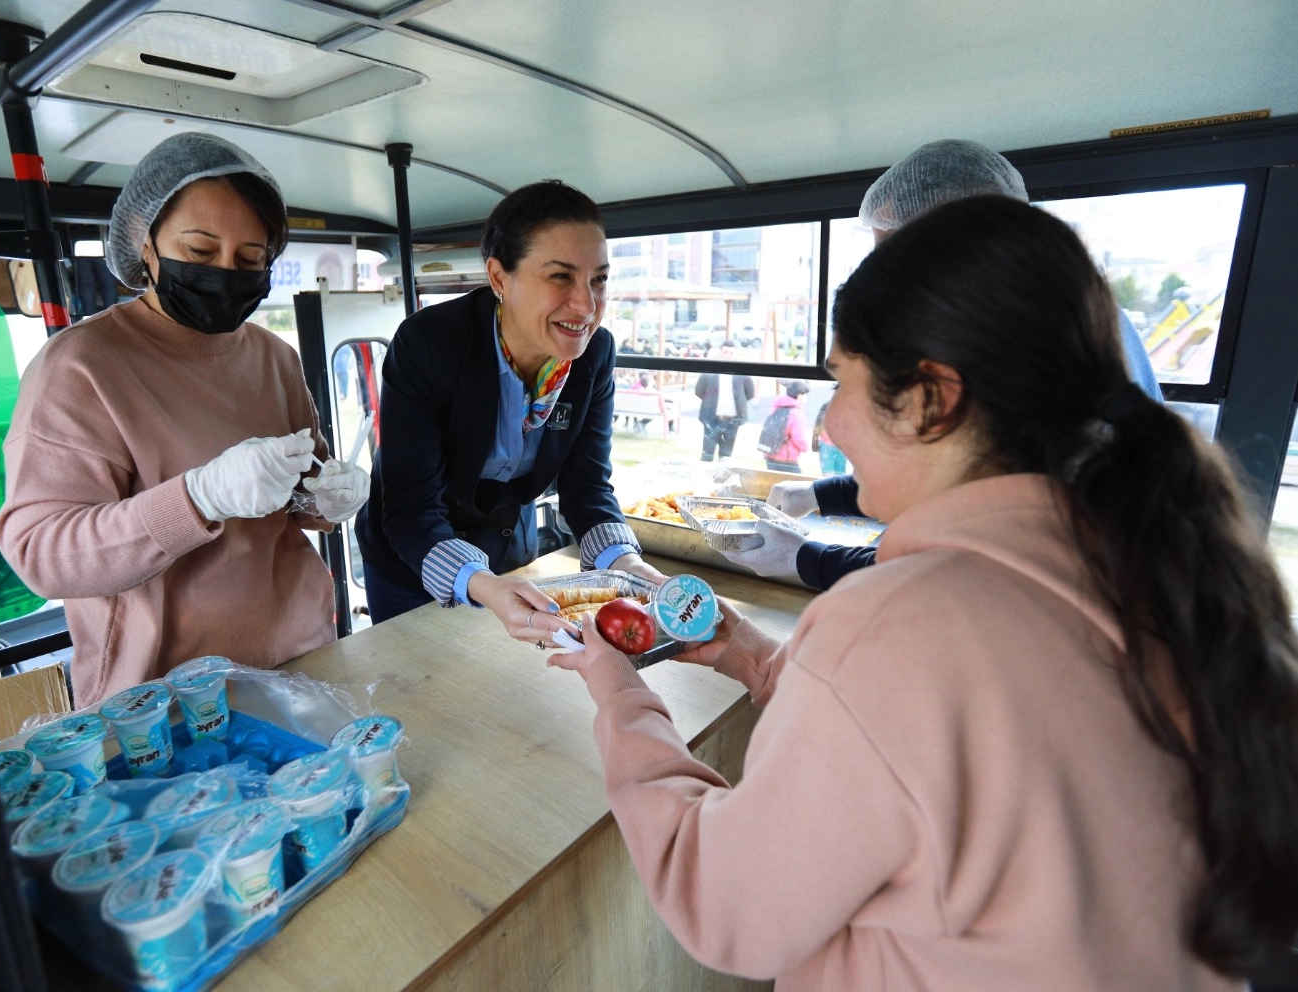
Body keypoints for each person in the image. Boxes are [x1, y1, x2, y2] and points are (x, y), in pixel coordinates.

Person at [550, 196, 1298, 991]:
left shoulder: (893, 624)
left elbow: (721, 903)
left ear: (929, 397)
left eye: (840, 381)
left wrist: (619, 695)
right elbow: (929, 750)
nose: (828, 425)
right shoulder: (1154, 569)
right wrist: (752, 657)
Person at [0, 132, 370, 707]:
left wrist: (323, 498)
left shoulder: (273, 356)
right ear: (144, 244)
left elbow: (295, 494)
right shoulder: (82, 366)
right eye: (199, 251)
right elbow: (43, 554)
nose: (225, 272)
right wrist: (198, 498)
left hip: (299, 659)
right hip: (165, 698)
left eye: (250, 259)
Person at [730, 139, 1163, 589]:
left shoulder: (1008, 341)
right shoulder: (1072, 312)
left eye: (895, 257)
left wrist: (805, 558)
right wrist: (822, 494)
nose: (886, 279)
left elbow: (967, 567)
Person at [354, 180, 663, 640]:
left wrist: (629, 565)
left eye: (598, 279)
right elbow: (410, 507)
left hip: (504, 544)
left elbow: (587, 486)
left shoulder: (594, 355)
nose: (586, 305)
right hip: (411, 553)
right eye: (560, 277)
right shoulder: (429, 344)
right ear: (499, 278)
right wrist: (482, 584)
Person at [694, 343, 755, 462]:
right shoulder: (710, 371)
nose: (728, 355)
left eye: (731, 353)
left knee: (726, 456)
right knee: (707, 454)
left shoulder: (742, 373)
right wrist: (710, 402)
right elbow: (699, 391)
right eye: (726, 352)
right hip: (712, 419)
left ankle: (722, 473)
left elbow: (750, 393)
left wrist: (739, 403)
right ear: (720, 353)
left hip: (732, 421)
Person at [759, 380, 809, 473]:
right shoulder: (796, 413)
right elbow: (798, 437)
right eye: (804, 395)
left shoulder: (776, 408)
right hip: (786, 458)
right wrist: (805, 447)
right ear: (799, 395)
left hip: (770, 454)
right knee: (796, 481)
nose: (805, 398)